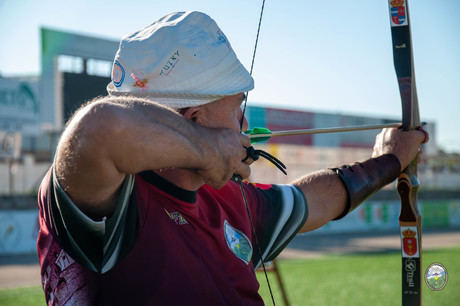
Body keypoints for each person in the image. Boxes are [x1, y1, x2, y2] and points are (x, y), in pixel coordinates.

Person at [36, 11, 427, 305]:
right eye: (237, 106)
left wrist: (388, 161)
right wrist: (208, 148)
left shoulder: (230, 201)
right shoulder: (108, 203)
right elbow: (97, 128)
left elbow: (317, 201)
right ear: (194, 117)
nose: (244, 120)